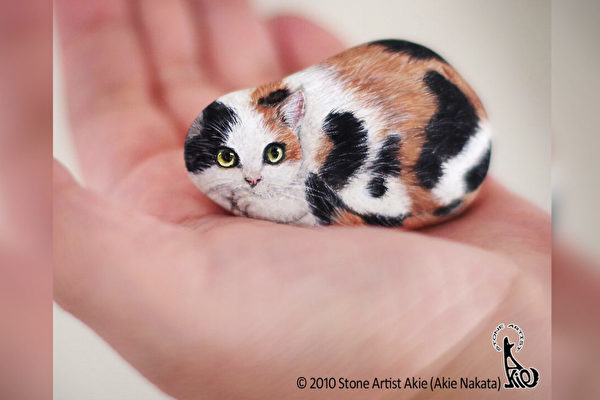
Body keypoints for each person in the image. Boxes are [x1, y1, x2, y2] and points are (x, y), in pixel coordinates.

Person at [54, 1, 551, 398]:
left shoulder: (314, 153)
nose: (252, 180)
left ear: (292, 123)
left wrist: (474, 347)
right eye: (228, 160)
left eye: (272, 154)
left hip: (431, 157)